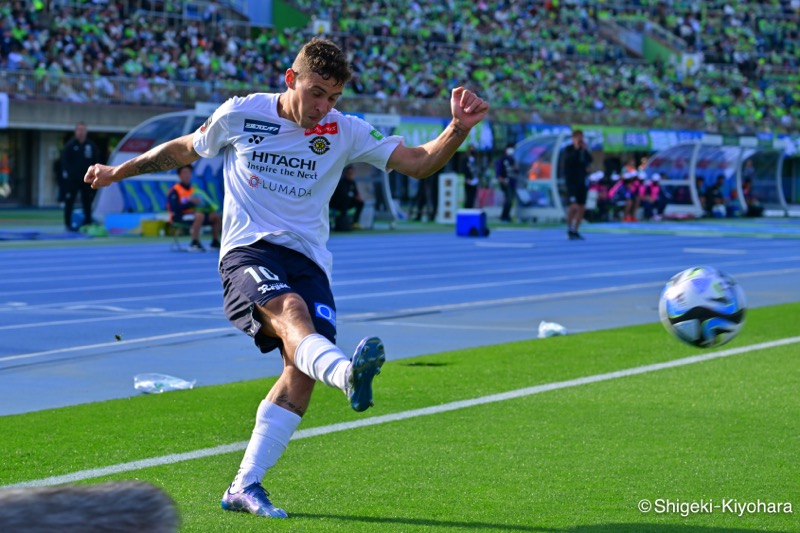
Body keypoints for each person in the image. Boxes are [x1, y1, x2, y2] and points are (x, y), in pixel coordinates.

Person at [84, 37, 488, 520]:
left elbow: (419, 164)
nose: (323, 107)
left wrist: (457, 129)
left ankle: (244, 485)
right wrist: (118, 171)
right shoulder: (242, 113)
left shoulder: (345, 130)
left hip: (309, 260)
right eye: (317, 92)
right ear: (291, 79)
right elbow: (183, 149)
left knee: (300, 372)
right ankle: (346, 373)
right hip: (247, 251)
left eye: (334, 97)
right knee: (295, 316)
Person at [167, 164, 222, 251]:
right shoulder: (175, 190)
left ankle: (215, 242)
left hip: (196, 214)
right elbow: (174, 208)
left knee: (216, 215)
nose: (187, 175)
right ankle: (194, 243)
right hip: (179, 216)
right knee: (199, 215)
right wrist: (190, 203)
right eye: (184, 172)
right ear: (179, 175)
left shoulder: (194, 190)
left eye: (189, 172)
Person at [61, 121, 103, 231]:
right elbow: (64, 162)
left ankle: (88, 222)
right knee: (69, 201)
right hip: (73, 180)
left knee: (87, 202)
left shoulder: (91, 146)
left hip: (87, 180)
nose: (81, 132)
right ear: (75, 132)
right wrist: (68, 175)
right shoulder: (70, 146)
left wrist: (95, 176)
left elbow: (96, 161)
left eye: (83, 130)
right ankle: (68, 224)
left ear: (86, 131)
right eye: (79, 130)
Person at [561, 129, 592, 239]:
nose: (579, 139)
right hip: (572, 182)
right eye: (577, 137)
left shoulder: (583, 151)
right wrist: (576, 148)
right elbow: (569, 161)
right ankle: (569, 227)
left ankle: (576, 229)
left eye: (581, 137)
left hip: (582, 181)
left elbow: (589, 161)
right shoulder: (569, 149)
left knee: (581, 207)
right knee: (573, 206)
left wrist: (584, 149)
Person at [328, 165, 364, 230]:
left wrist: (358, 197)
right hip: (337, 204)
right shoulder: (341, 183)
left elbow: (356, 194)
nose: (351, 175)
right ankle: (343, 220)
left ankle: (355, 222)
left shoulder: (353, 183)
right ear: (345, 174)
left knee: (360, 202)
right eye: (349, 173)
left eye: (352, 173)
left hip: (348, 202)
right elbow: (342, 195)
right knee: (345, 199)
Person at [496, 144, 517, 222]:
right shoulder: (502, 159)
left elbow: (515, 171)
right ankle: (504, 216)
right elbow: (498, 171)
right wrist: (501, 179)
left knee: (510, 200)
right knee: (508, 199)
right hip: (505, 182)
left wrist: (516, 168)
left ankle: (507, 216)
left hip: (512, 182)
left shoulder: (512, 159)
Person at [462, 144, 480, 208]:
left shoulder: (476, 160)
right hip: (468, 181)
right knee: (468, 196)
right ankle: (467, 209)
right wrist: (466, 179)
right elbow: (463, 170)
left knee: (473, 196)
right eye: (471, 149)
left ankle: (471, 209)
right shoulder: (465, 160)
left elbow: (477, 170)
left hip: (474, 180)